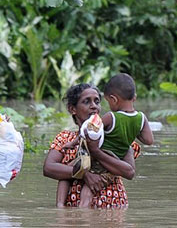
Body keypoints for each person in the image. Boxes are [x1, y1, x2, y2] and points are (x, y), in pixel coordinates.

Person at [57, 74, 154, 207]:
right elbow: (148, 140)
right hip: (110, 175)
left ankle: (62, 208)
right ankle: (66, 210)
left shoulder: (111, 120)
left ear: (113, 99)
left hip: (108, 193)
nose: (94, 106)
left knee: (72, 172)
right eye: (87, 102)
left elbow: (130, 172)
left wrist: (77, 144)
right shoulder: (140, 120)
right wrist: (132, 130)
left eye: (98, 102)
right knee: (70, 172)